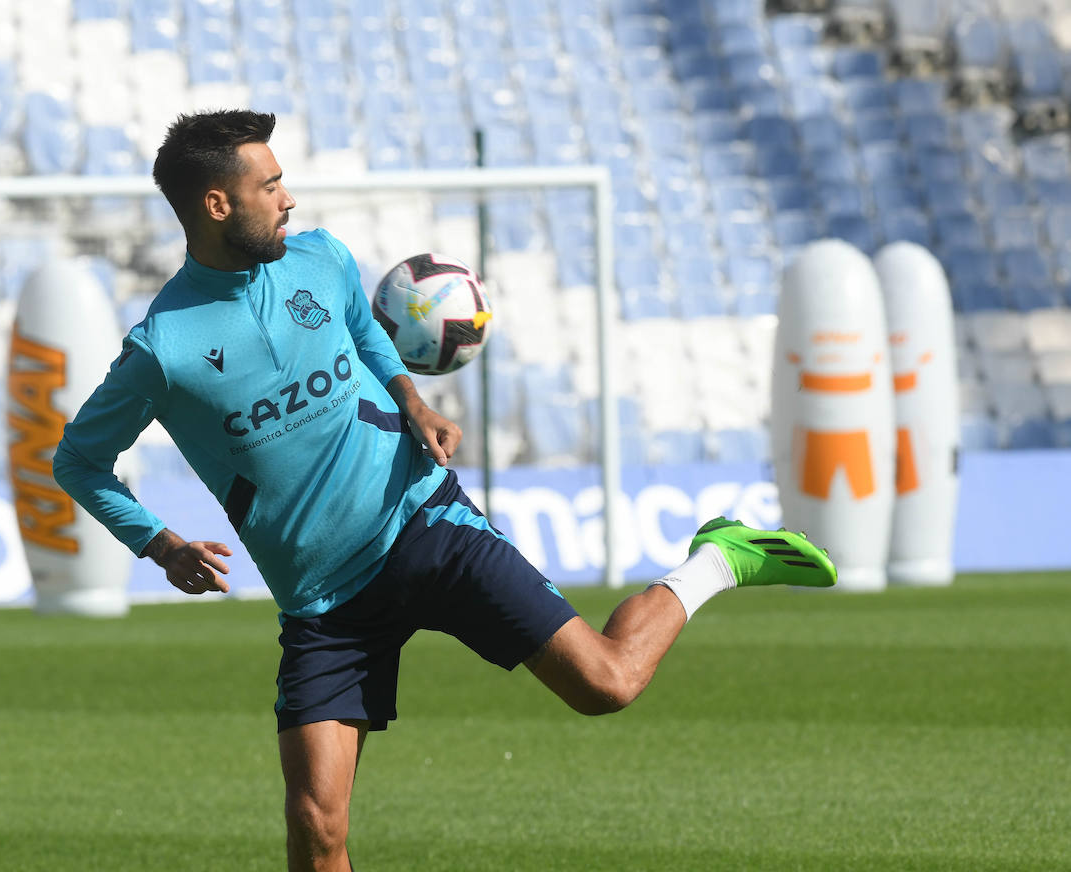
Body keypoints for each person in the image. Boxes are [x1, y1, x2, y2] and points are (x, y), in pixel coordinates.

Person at [52, 109, 837, 872]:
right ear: (216, 204)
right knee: (314, 828)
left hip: (425, 522)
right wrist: (158, 543)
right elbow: (78, 460)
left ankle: (719, 559)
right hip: (324, 603)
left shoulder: (320, 257)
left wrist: (413, 399)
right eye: (271, 185)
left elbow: (363, 332)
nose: (289, 198)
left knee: (607, 684)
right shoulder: (164, 348)